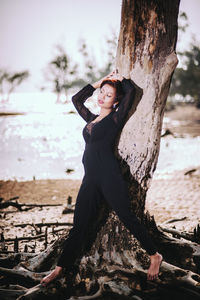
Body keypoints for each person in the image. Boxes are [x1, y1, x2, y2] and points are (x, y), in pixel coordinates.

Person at [41, 70, 163, 286]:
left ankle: (155, 255)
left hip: (109, 176)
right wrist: (100, 83)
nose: (102, 96)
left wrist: (121, 78)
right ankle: (60, 268)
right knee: (79, 224)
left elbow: (132, 91)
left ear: (116, 101)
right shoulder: (92, 119)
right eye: (102, 93)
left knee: (127, 216)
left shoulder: (116, 118)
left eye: (108, 95)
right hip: (90, 179)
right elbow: (76, 99)